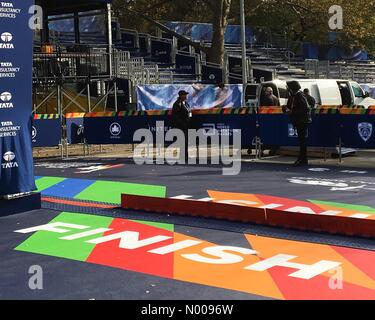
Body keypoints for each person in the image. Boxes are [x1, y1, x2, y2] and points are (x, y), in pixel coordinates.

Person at [284, 81, 312, 166]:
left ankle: (303, 158)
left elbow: (306, 109)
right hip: (299, 121)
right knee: (301, 140)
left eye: (288, 88)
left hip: (302, 121)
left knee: (302, 140)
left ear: (292, 88)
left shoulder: (300, 95)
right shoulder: (293, 96)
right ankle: (303, 158)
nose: (287, 89)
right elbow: (290, 106)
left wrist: (292, 112)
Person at [172, 90, 192, 162]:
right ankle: (183, 156)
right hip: (181, 126)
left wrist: (190, 118)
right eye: (184, 95)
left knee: (186, 141)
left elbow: (189, 111)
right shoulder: (177, 104)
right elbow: (175, 116)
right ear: (180, 96)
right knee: (182, 142)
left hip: (187, 125)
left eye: (186, 95)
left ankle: (185, 156)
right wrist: (182, 123)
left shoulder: (186, 103)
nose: (185, 96)